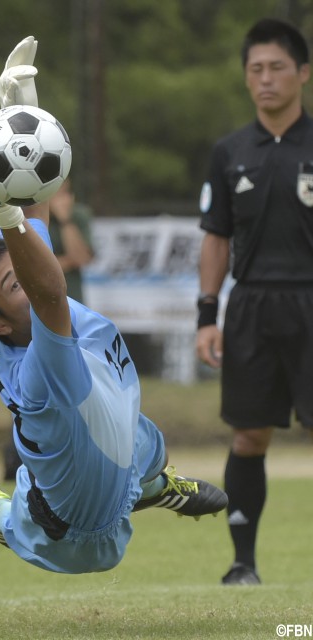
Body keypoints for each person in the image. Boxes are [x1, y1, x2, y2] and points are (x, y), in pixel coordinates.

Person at [0, 36, 227, 575]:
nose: (27, 278)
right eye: (13, 283)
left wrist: (21, 111)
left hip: (104, 448)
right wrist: (3, 213)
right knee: (15, 514)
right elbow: (45, 285)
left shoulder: (12, 318)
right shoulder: (40, 368)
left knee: (136, 436)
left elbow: (35, 214)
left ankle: (151, 483)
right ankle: (1, 510)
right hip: (67, 531)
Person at [196, 18, 313, 586]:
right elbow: (216, 237)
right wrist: (206, 315)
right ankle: (243, 563)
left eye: (277, 68)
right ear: (246, 79)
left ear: (304, 74)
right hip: (251, 308)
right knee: (249, 435)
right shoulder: (229, 152)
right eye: (255, 70)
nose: (265, 79)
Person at [2, 176, 94, 479]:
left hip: (71, 320)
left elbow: (80, 257)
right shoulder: (22, 215)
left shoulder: (76, 217)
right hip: (30, 319)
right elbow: (22, 267)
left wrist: (66, 219)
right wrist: (54, 266)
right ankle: (20, 460)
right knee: (30, 390)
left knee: (74, 390)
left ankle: (79, 460)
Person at [48, 177, 94, 304]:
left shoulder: (78, 215)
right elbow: (27, 268)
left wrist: (65, 220)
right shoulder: (28, 217)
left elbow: (81, 258)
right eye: (57, 193)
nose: (64, 199)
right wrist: (68, 261)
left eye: (66, 192)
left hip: (72, 302)